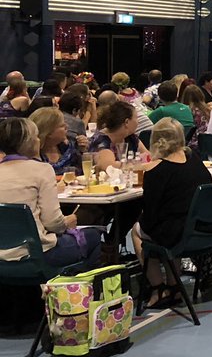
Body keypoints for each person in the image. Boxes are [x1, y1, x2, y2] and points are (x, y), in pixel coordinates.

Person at [133, 118, 212, 308]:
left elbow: (151, 214)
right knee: (170, 223)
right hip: (204, 230)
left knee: (138, 231)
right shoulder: (195, 159)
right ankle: (174, 285)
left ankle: (157, 287)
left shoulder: (156, 170)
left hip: (179, 234)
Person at [0, 118, 100, 268]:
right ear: (29, 141)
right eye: (36, 137)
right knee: (93, 237)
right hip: (35, 253)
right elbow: (53, 223)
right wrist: (68, 221)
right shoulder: (42, 170)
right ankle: (72, 287)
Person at [89, 101, 145, 172]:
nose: (138, 121)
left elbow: (148, 157)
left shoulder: (131, 138)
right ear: (127, 122)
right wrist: (137, 165)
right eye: (136, 118)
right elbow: (107, 166)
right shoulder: (101, 140)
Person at [31, 106, 82, 176]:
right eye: (62, 126)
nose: (67, 127)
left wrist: (82, 150)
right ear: (49, 132)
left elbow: (84, 172)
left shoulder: (68, 147)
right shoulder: (31, 155)